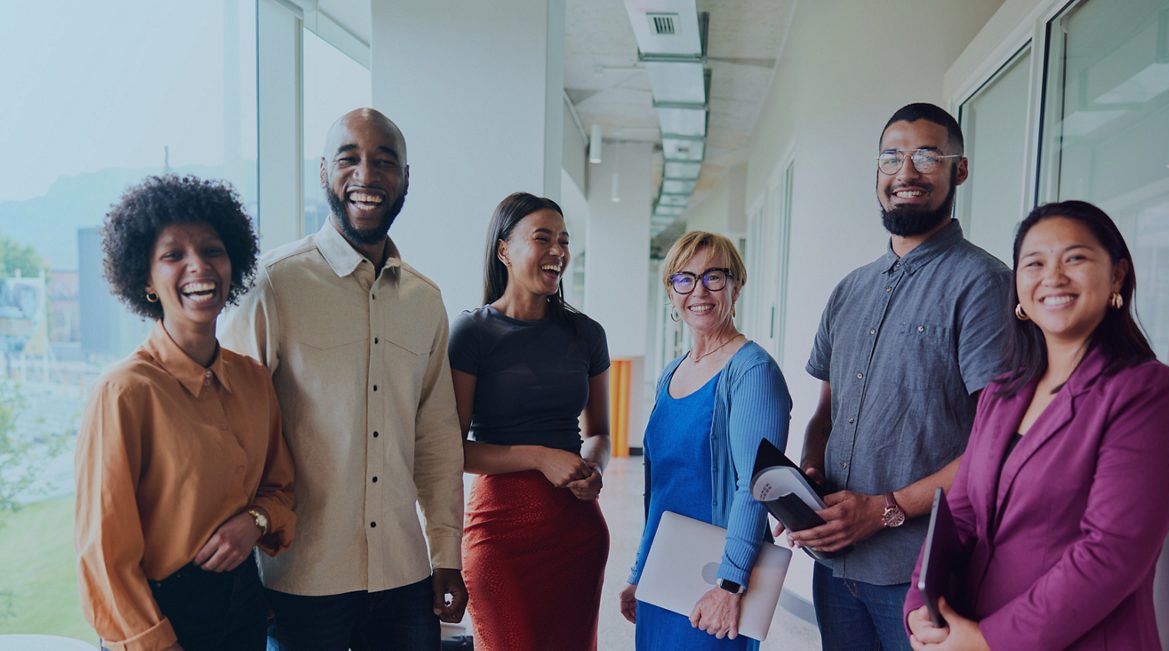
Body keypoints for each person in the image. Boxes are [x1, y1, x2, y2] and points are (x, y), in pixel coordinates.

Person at [219, 108, 466, 650]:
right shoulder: (274, 286)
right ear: (323, 171)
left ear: (405, 178)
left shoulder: (425, 302)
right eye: (349, 159)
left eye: (385, 161)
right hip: (301, 577)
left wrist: (447, 554)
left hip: (404, 576)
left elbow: (438, 436)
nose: (367, 175)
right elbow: (233, 433)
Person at [903, 201, 1169, 650]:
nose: (1053, 277)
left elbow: (1110, 554)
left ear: (1117, 275)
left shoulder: (1149, 394)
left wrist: (990, 641)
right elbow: (960, 516)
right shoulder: (1002, 393)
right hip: (967, 631)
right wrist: (919, 605)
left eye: (1075, 258)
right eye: (1034, 263)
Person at [783, 103, 1010, 651]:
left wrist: (885, 510)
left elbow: (998, 443)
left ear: (959, 170)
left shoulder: (983, 285)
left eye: (927, 156)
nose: (906, 172)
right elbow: (827, 414)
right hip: (836, 568)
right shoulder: (849, 290)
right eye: (891, 157)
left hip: (924, 573)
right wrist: (808, 481)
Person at [75, 174, 296, 651]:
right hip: (162, 621)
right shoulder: (123, 392)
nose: (199, 266)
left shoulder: (255, 380)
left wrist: (253, 522)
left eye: (213, 250)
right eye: (173, 255)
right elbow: (104, 557)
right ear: (146, 279)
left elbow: (281, 490)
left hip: (244, 610)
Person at [448, 192, 611, 650]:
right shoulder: (472, 333)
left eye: (563, 240)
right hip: (497, 531)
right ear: (504, 250)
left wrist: (593, 467)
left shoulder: (586, 334)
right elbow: (453, 449)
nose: (558, 251)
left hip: (574, 528)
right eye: (543, 238)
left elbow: (599, 432)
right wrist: (540, 457)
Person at [620, 231, 791, 650]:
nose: (699, 291)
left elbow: (755, 486)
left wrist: (729, 586)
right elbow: (661, 490)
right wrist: (639, 572)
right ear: (671, 291)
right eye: (684, 279)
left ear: (736, 285)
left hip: (713, 581)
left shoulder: (752, 372)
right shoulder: (671, 373)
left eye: (714, 277)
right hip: (665, 575)